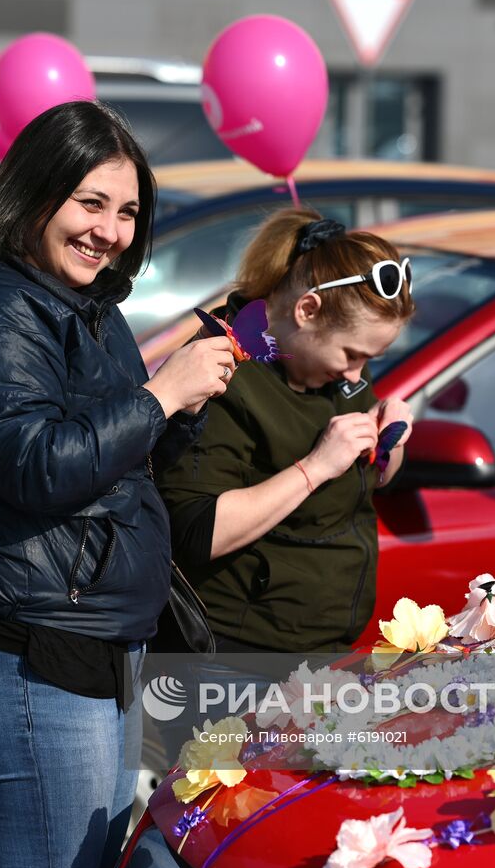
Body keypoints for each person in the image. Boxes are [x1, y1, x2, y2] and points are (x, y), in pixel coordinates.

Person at [0, 100, 237, 868]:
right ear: (33, 193)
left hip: (89, 653)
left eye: (127, 212)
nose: (111, 231)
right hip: (32, 660)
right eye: (90, 203)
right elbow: (35, 464)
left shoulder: (82, 305)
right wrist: (159, 395)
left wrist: (185, 399)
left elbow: (109, 461)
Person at [156, 209, 416, 653]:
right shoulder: (221, 369)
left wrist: (390, 441)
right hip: (236, 651)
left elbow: (365, 481)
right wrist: (315, 467)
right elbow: (198, 532)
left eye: (369, 358)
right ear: (308, 310)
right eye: (351, 355)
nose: (356, 375)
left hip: (320, 644)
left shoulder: (330, 366)